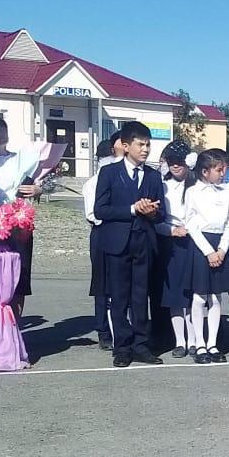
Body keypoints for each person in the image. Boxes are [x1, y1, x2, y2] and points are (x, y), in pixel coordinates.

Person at [93, 121, 165, 367]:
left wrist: (152, 212)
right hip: (117, 243)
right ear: (125, 146)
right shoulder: (109, 173)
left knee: (140, 296)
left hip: (144, 242)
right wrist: (133, 209)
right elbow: (100, 210)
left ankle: (141, 345)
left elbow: (162, 214)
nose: (145, 149)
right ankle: (122, 347)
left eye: (148, 145)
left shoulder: (153, 176)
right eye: (140, 144)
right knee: (120, 297)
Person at [0, 115, 41, 316]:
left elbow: (36, 183)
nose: (0, 134)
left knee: (19, 277)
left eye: (3, 128)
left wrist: (37, 189)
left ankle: (14, 325)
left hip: (18, 225)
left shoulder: (22, 159)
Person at [184, 149, 229, 364]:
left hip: (220, 245)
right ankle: (199, 343)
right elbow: (191, 224)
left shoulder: (227, 192)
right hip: (201, 246)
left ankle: (212, 343)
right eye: (218, 170)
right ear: (205, 172)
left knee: (216, 297)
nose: (223, 173)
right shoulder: (193, 192)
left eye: (223, 169)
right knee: (199, 297)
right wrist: (209, 252)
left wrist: (222, 249)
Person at [155, 144, 197, 359]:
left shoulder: (197, 185)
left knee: (193, 295)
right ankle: (180, 341)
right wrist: (172, 231)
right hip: (172, 244)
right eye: (171, 161)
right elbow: (156, 220)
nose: (175, 165)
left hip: (195, 242)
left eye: (179, 160)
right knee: (175, 296)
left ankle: (195, 340)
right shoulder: (163, 186)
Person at [86, 135, 124, 350]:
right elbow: (94, 214)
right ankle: (103, 330)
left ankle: (122, 325)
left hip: (120, 231)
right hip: (102, 232)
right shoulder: (93, 183)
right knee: (101, 283)